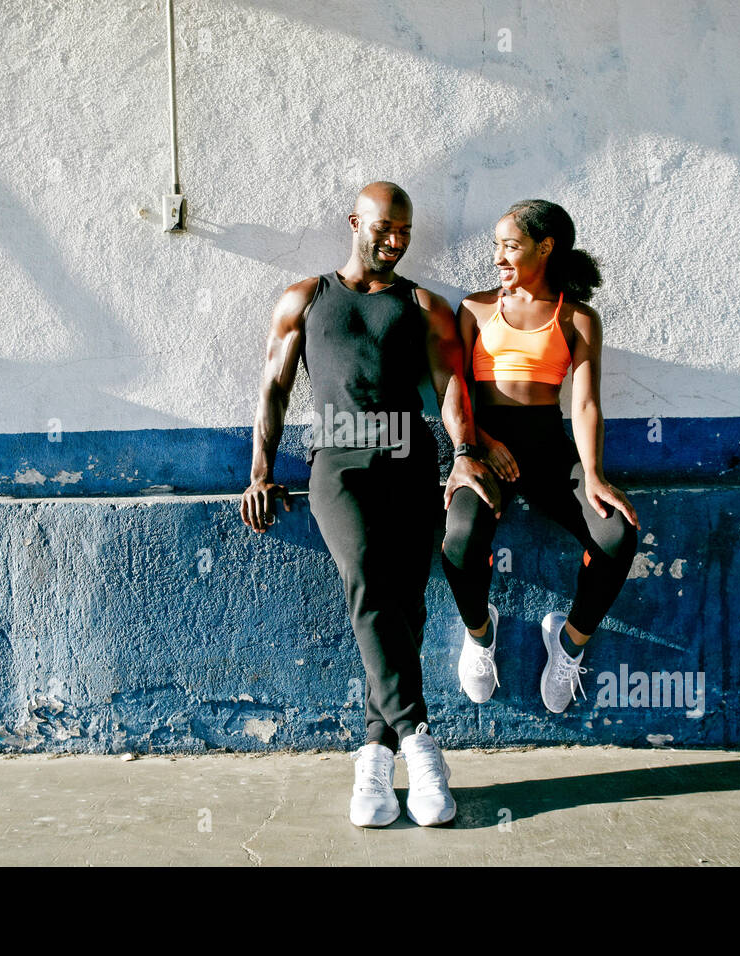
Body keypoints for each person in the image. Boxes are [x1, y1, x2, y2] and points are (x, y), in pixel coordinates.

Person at [240, 182, 500, 827]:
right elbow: (273, 386)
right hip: (338, 464)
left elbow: (448, 387)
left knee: (405, 607)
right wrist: (261, 472)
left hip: (411, 463)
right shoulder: (305, 298)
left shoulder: (423, 305)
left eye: (404, 232)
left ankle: (374, 762)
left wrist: (464, 450)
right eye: (385, 228)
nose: (395, 240)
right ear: (356, 223)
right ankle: (421, 745)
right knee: (367, 583)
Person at [440, 199, 641, 712]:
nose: (499, 257)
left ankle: (569, 643)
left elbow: (588, 401)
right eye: (496, 246)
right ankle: (481, 634)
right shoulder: (475, 308)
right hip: (487, 448)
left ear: (544, 248)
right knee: (460, 541)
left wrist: (593, 475)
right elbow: (453, 390)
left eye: (511, 246)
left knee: (616, 533)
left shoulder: (576, 317)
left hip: (550, 448)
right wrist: (479, 442)